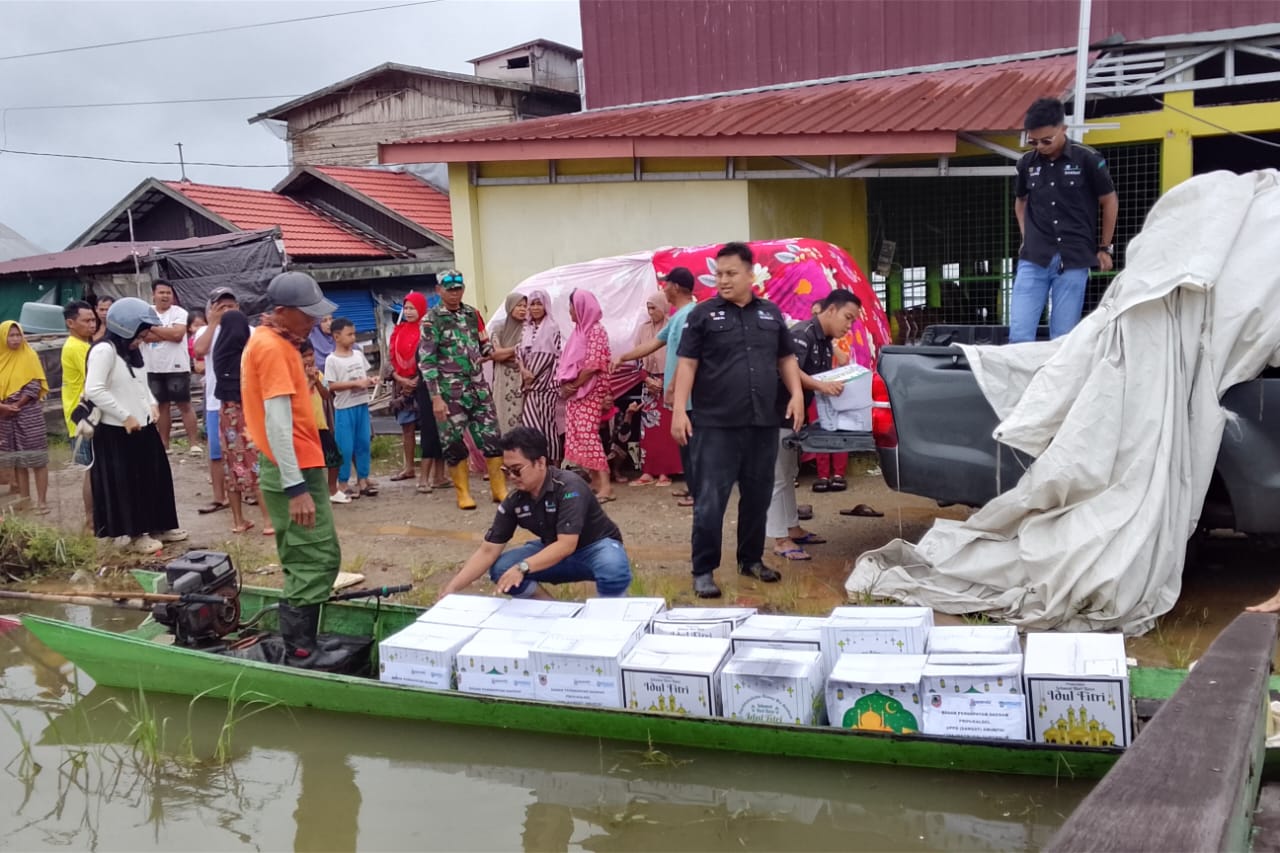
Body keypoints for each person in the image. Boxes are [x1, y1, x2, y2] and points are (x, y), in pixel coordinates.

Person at [672, 242, 805, 599]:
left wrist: (796, 393)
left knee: (758, 496)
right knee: (711, 500)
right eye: (718, 274)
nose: (723, 281)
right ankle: (703, 570)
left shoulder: (771, 314)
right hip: (715, 425)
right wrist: (679, 409)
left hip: (762, 422)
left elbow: (786, 358)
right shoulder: (702, 315)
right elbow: (687, 363)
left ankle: (751, 559)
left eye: (731, 274)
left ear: (750, 275)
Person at [240, 271, 342, 665]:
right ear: (282, 312)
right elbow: (278, 423)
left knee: (319, 554)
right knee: (311, 558)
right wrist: (295, 487)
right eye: (307, 314)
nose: (314, 321)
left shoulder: (279, 342)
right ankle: (301, 649)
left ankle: (308, 640)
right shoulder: (272, 349)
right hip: (293, 470)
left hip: (301, 465)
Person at [440, 426, 631, 599]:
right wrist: (451, 589)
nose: (512, 478)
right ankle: (550, 610)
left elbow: (566, 545)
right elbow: (488, 550)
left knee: (613, 568)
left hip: (594, 547)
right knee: (501, 568)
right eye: (506, 471)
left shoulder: (569, 487)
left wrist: (523, 567)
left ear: (540, 462)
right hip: (551, 549)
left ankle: (611, 613)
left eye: (517, 470)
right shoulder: (515, 500)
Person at [1010, 97, 1120, 343]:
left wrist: (1104, 247)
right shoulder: (1026, 164)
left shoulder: (1088, 159)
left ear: (1063, 129)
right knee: (1019, 333)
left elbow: (1109, 201)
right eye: (1033, 141)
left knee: (1063, 337)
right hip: (1034, 258)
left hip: (1073, 259)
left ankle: (1057, 382)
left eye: (1046, 140)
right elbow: (1021, 201)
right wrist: (1026, 237)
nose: (1040, 146)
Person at [84, 298, 187, 553]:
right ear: (125, 327)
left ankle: (161, 524)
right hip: (116, 429)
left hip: (143, 423)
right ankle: (135, 534)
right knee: (129, 483)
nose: (142, 339)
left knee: (156, 475)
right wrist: (124, 415)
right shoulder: (103, 350)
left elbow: (140, 383)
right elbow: (94, 389)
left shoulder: (131, 351)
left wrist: (151, 404)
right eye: (139, 334)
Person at [765, 291, 862, 561]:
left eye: (852, 321)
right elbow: (788, 368)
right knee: (777, 477)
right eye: (847, 317)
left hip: (792, 416)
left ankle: (792, 528)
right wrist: (822, 385)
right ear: (830, 310)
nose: (849, 325)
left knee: (788, 472)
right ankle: (780, 539)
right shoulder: (803, 333)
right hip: (773, 413)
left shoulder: (826, 342)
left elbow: (820, 378)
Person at [418, 269, 507, 510]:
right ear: (439, 291)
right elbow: (427, 361)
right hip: (449, 393)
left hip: (478, 388)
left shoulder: (472, 314)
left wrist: (499, 351)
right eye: (449, 289)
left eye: (458, 289)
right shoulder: (431, 320)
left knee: (492, 436)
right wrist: (436, 397)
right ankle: (463, 493)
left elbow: (484, 344)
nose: (455, 294)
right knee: (454, 443)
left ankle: (499, 489)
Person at [613, 268, 698, 506]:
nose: (663, 289)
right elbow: (653, 344)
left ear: (676, 287)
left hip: (689, 395)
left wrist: (671, 385)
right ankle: (692, 487)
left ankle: (697, 492)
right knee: (685, 444)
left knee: (692, 444)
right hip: (680, 394)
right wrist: (624, 357)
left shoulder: (689, 316)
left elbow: (687, 356)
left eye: (666, 284)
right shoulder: (679, 317)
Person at [211, 309, 273, 536]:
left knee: (232, 468)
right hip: (248, 414)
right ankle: (268, 521)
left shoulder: (219, 353)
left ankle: (238, 521)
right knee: (256, 464)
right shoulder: (247, 355)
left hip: (227, 416)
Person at [557, 290, 615, 503]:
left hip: (590, 391)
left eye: (572, 306)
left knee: (588, 435)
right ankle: (595, 482)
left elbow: (593, 365)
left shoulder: (596, 331)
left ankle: (606, 486)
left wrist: (574, 385)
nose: (570, 311)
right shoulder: (579, 332)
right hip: (578, 392)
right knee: (579, 435)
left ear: (581, 307)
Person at [386, 292, 444, 493]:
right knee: (407, 427)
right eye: (406, 308)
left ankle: (439, 475)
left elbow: (433, 357)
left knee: (434, 428)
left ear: (421, 309)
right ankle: (409, 467)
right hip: (402, 386)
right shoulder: (398, 331)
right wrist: (402, 380)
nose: (409, 312)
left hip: (426, 385)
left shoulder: (427, 330)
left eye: (413, 308)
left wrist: (419, 379)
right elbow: (390, 359)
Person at [191, 288, 238, 516]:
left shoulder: (249, 330)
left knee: (245, 447)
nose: (227, 310)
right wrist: (213, 323)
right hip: (215, 401)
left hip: (242, 399)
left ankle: (248, 490)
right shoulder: (204, 332)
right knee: (216, 452)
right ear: (211, 309)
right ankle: (220, 497)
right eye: (221, 307)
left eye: (231, 306)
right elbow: (199, 351)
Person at [142, 279, 201, 454]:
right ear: (153, 294)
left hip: (177, 366)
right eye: (161, 292)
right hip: (152, 367)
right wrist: (164, 332)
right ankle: (164, 445)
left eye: (168, 293)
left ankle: (193, 444)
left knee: (184, 405)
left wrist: (153, 328)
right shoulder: (146, 312)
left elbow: (177, 335)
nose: (165, 296)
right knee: (161, 406)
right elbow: (144, 336)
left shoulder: (179, 312)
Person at [629, 291, 682, 487]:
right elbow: (637, 359)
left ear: (663, 307)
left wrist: (666, 382)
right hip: (649, 385)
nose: (651, 312)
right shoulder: (643, 330)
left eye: (654, 307)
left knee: (667, 431)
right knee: (648, 432)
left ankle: (665, 472)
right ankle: (648, 471)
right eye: (648, 308)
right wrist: (647, 380)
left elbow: (680, 358)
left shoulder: (672, 327)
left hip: (669, 385)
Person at [324, 318, 377, 499]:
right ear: (337, 336)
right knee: (345, 447)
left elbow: (365, 375)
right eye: (349, 334)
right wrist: (354, 384)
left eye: (354, 334)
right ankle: (343, 482)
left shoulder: (358, 355)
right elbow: (331, 386)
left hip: (361, 404)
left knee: (363, 443)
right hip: (345, 408)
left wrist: (370, 381)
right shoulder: (332, 360)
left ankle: (363, 480)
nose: (353, 338)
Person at [0, 322, 50, 514]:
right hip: (5, 416)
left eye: (17, 335)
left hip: (28, 412)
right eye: (10, 335)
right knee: (18, 460)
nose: (14, 339)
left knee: (37, 458)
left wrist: (17, 405)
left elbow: (34, 386)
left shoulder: (29, 355)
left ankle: (42, 501)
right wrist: (5, 407)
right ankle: (25, 500)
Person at [517, 289, 564, 464]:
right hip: (529, 387)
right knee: (530, 425)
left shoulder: (552, 327)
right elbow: (518, 353)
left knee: (548, 426)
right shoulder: (526, 328)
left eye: (539, 304)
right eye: (533, 304)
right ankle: (537, 462)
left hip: (546, 386)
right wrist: (523, 370)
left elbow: (551, 356)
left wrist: (533, 375)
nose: (536, 308)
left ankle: (554, 463)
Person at [61, 300, 97, 526]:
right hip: (84, 417)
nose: (92, 324)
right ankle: (91, 519)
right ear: (71, 323)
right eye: (87, 320)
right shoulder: (76, 347)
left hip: (85, 415)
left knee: (95, 468)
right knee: (93, 470)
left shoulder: (84, 344)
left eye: (94, 320)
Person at [300, 339, 345, 503]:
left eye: (311, 355)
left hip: (320, 424)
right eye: (304, 356)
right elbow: (298, 400)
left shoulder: (318, 373)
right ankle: (310, 492)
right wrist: (309, 382)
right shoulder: (295, 377)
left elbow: (326, 395)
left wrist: (316, 380)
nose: (309, 359)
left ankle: (332, 489)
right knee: (309, 464)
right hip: (304, 427)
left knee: (334, 457)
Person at [490, 291, 528, 434]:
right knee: (501, 416)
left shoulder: (529, 328)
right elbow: (495, 354)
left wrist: (504, 352)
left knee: (521, 418)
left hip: (521, 378)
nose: (523, 309)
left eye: (525, 306)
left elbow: (527, 356)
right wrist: (518, 348)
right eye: (519, 305)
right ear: (510, 306)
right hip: (502, 380)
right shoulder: (498, 327)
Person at [186, 309, 207, 374]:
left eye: (202, 325)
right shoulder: (191, 340)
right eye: (196, 325)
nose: (200, 328)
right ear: (189, 328)